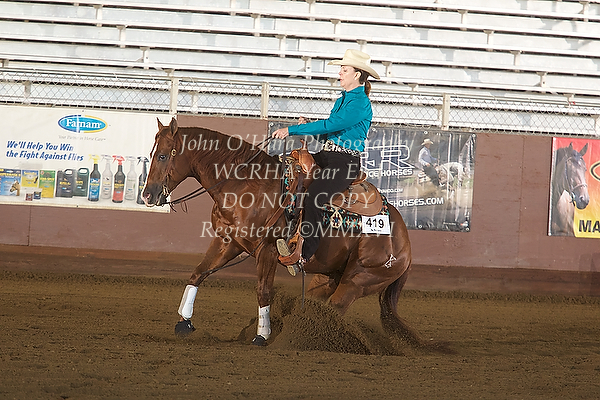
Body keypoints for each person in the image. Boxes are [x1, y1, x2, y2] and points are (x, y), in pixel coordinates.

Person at [271, 49, 380, 276]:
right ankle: (285, 228)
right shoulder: (343, 100)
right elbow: (330, 133)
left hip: (345, 163)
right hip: (328, 155)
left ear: (357, 75)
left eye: (344, 70)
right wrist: (309, 126)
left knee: (315, 196)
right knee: (287, 169)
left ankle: (304, 254)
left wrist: (293, 130)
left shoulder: (360, 103)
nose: (340, 73)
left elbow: (331, 125)